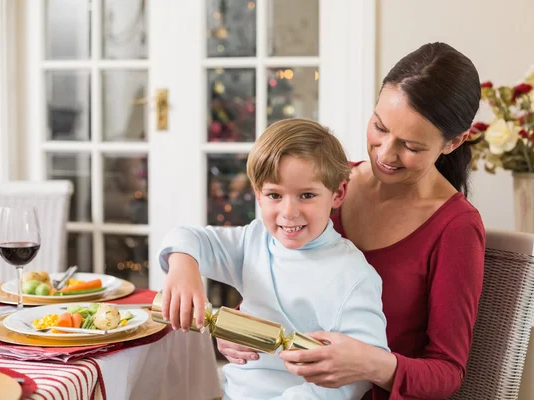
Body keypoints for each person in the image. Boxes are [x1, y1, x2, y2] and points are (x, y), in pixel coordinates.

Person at [216, 42, 486, 399]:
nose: (386, 153)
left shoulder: (455, 228)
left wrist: (370, 364)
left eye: (412, 146)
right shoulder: (325, 188)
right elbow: (279, 278)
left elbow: (446, 373)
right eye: (379, 127)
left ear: (453, 142)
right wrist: (237, 330)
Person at [158, 118, 390, 399]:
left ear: (337, 193)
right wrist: (183, 268)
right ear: (258, 195)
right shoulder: (254, 241)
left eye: (306, 195)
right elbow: (187, 237)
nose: (289, 212)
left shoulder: (353, 274)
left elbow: (357, 375)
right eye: (274, 195)